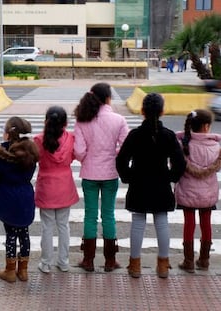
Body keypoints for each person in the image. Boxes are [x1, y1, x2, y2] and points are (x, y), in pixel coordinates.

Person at [116, 93, 186, 279]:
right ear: (162, 112)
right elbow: (180, 163)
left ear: (142, 111)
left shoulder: (135, 135)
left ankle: (135, 265)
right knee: (161, 222)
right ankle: (163, 265)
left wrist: (128, 177)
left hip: (139, 184)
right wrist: (171, 177)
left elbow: (121, 160)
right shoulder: (169, 136)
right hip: (161, 185)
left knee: (138, 223)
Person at [73, 82, 129, 272]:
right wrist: (113, 153)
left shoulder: (82, 120)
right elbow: (126, 147)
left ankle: (88, 260)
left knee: (90, 215)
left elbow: (79, 151)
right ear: (108, 98)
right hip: (110, 174)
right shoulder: (119, 120)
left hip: (89, 174)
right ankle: (110, 261)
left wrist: (88, 158)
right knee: (108, 215)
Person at [0, 116, 39, 283]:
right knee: (24, 233)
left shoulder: (3, 152)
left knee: (10, 234)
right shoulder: (31, 151)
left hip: (7, 196)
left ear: (9, 134)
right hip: (25, 195)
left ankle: (10, 271)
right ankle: (23, 270)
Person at [175, 110, 221, 273]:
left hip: (188, 192)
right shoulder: (216, 146)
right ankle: (204, 260)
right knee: (206, 224)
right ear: (206, 126)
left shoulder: (184, 145)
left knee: (189, 224)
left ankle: (188, 261)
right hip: (208, 195)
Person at [34, 106, 79, 273]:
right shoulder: (71, 138)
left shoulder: (38, 140)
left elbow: (35, 158)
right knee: (63, 225)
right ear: (65, 123)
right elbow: (74, 156)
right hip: (64, 184)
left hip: (46, 185)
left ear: (46, 121)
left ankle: (46, 263)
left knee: (47, 226)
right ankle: (64, 261)